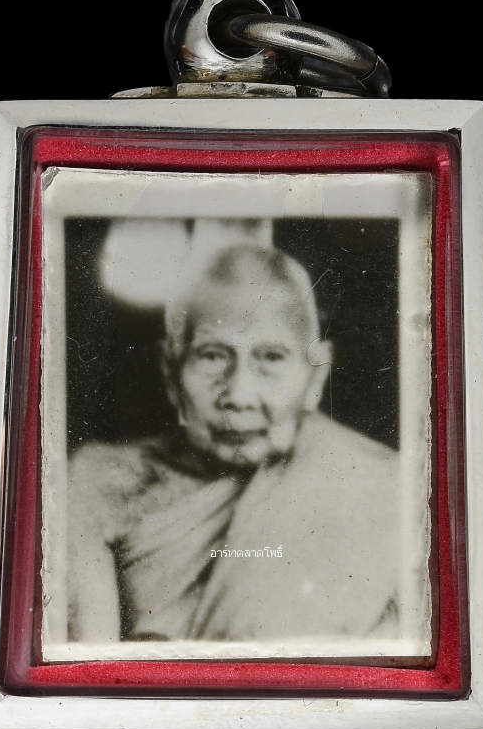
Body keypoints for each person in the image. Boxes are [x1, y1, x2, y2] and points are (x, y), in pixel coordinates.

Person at [67, 244, 403, 647]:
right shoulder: (103, 482)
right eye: (212, 357)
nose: (239, 396)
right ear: (171, 370)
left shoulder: (384, 488)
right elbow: (87, 666)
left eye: (271, 358)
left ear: (315, 376)